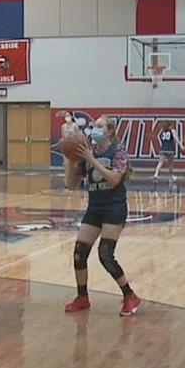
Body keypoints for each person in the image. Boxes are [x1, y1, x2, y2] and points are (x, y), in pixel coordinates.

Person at [64, 116, 141, 317]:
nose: (94, 129)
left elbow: (115, 179)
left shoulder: (117, 151)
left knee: (105, 255)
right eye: (93, 126)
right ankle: (82, 297)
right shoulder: (86, 151)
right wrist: (71, 161)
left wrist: (91, 160)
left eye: (99, 126)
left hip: (114, 207)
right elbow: (72, 185)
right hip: (95, 207)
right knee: (79, 254)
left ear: (109, 132)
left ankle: (130, 295)